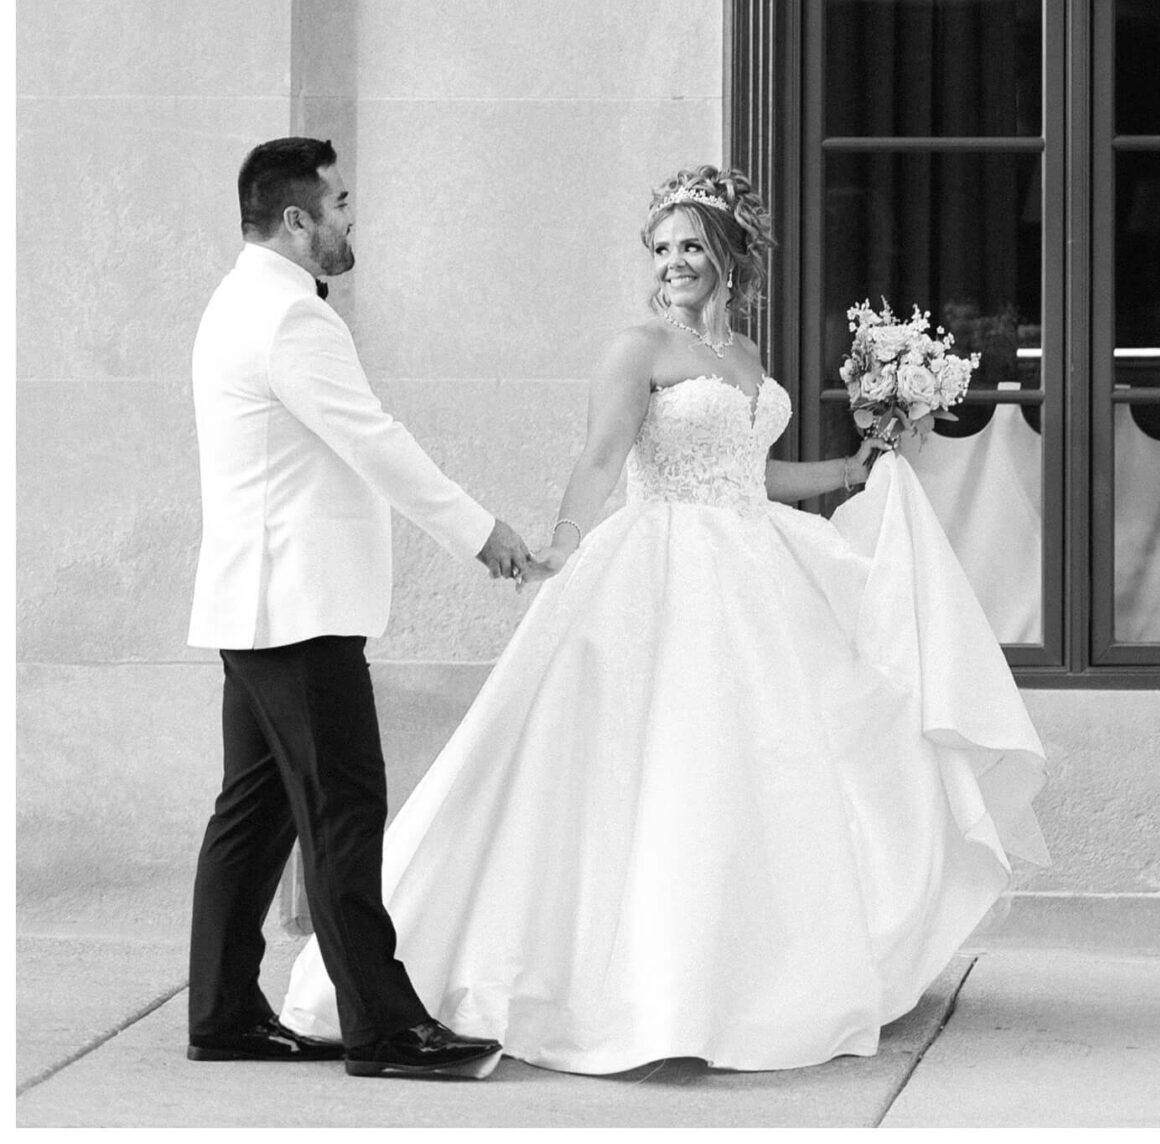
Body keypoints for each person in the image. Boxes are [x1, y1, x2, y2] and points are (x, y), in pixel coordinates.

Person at [281, 164, 1047, 1075]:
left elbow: (753, 479)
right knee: (663, 768)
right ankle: (629, 988)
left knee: (782, 763)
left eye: (691, 246)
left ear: (729, 255)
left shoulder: (749, 358)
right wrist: (562, 545)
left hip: (754, 568)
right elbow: (603, 455)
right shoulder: (637, 348)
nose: (674, 262)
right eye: (662, 248)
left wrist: (851, 467)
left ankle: (757, 978)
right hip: (659, 569)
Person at [186, 137, 539, 1081]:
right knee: (343, 811)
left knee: (256, 814)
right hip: (297, 612)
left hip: (252, 607)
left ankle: (221, 1014)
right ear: (296, 220)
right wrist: (480, 531)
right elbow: (373, 440)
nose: (351, 217)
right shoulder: (291, 322)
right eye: (339, 202)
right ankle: (385, 1029)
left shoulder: (236, 301)